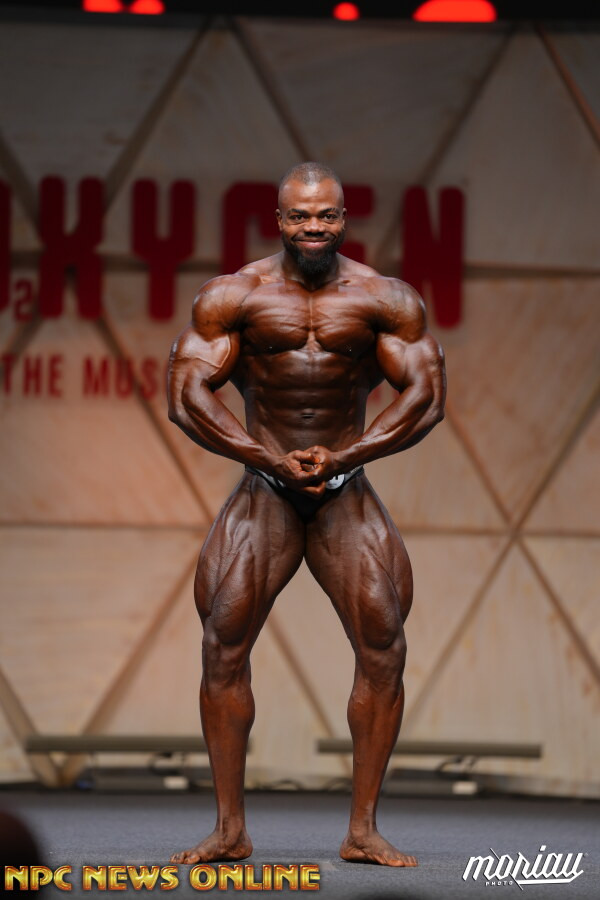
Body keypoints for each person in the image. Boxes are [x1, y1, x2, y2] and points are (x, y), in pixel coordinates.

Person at [167, 162, 446, 867]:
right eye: (299, 216)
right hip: (265, 488)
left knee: (384, 641)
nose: (312, 227)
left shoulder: (385, 299)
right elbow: (186, 394)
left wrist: (350, 453)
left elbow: (426, 397)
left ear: (343, 218)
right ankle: (229, 830)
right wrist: (265, 457)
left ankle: (363, 831)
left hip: (344, 488)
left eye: (325, 215)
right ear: (280, 220)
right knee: (222, 641)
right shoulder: (235, 295)